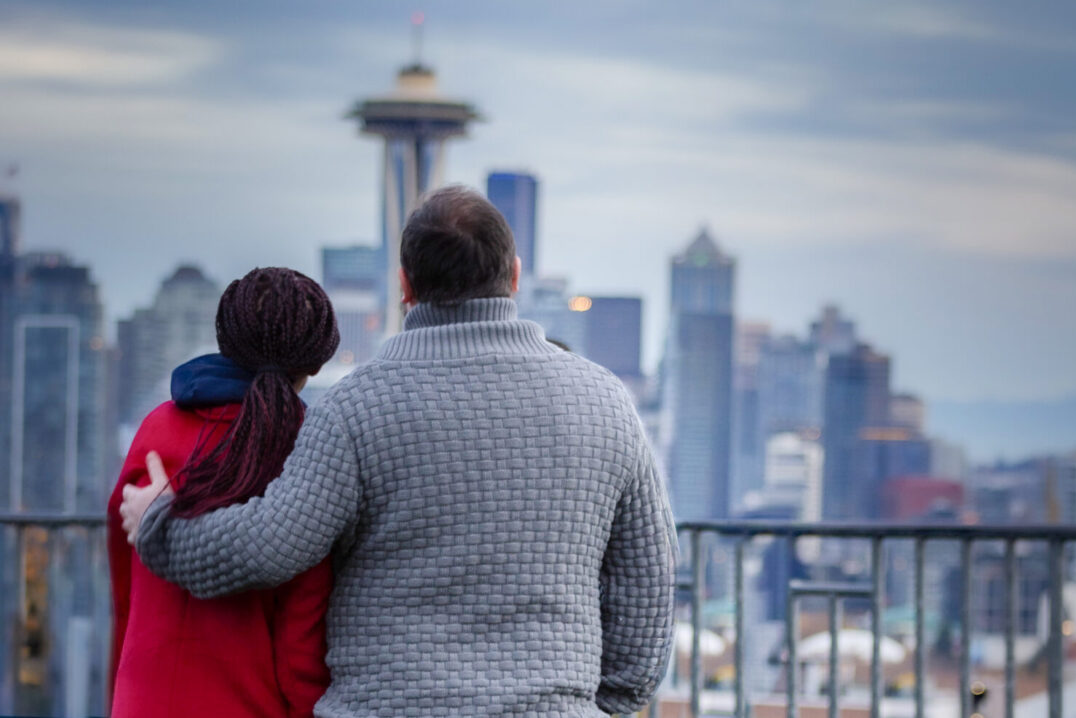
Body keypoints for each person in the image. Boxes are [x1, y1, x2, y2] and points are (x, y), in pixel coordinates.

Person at [122, 185, 676, 717]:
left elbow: (268, 548)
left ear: (404, 286)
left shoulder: (355, 408)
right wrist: (586, 702)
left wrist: (161, 526)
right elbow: (647, 593)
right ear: (514, 276)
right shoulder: (606, 402)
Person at [107, 267, 340, 717]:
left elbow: (124, 588)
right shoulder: (309, 448)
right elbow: (301, 641)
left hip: (141, 700)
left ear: (227, 340)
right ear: (314, 362)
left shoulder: (157, 428)